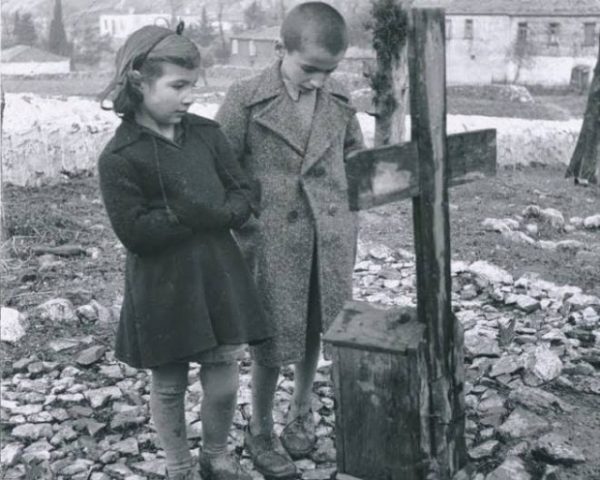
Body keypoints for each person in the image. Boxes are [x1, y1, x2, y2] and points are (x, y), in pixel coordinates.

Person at [97, 24, 272, 480]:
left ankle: (216, 453)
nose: (189, 97)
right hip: (162, 282)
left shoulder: (207, 134)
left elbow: (243, 192)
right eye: (178, 86)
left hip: (217, 271)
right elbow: (135, 232)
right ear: (139, 81)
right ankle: (178, 464)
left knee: (224, 372)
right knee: (169, 382)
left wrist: (223, 211)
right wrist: (194, 213)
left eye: (192, 85)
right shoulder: (120, 156)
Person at [215, 3, 364, 478]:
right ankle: (260, 427)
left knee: (317, 323)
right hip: (272, 242)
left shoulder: (339, 97)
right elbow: (222, 166)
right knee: (273, 335)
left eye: (329, 71)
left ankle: (301, 408)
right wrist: (248, 216)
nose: (319, 80)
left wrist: (347, 204)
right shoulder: (245, 98)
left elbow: (354, 155)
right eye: (309, 69)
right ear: (280, 48)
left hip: (329, 237)